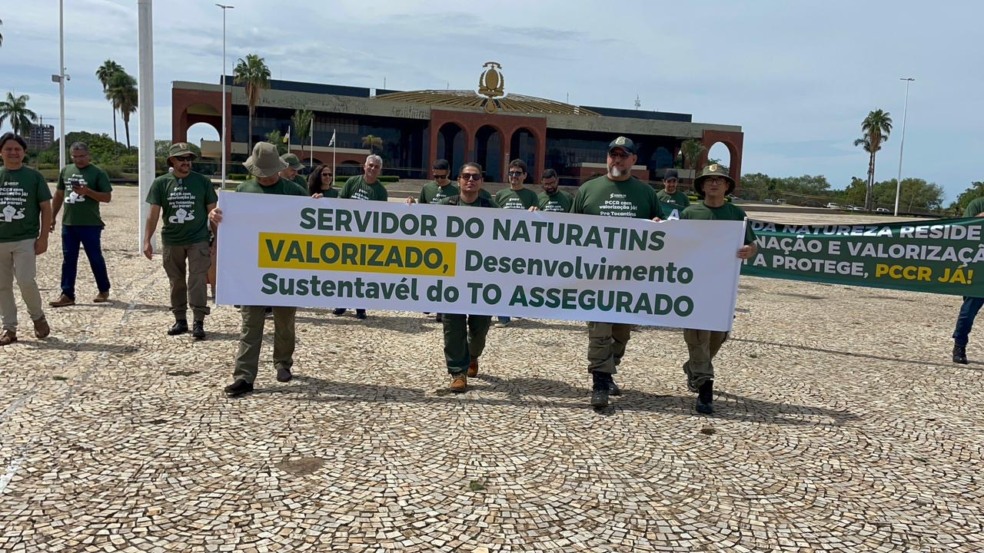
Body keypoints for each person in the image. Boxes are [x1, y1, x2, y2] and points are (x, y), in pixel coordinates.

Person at [571, 136, 664, 408]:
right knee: (599, 330)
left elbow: (662, 232)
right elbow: (567, 230)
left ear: (634, 160)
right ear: (607, 157)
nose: (617, 159)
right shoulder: (588, 190)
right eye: (614, 154)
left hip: (631, 277)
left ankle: (609, 368)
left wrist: (658, 226)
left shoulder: (646, 193)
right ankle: (599, 383)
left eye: (623, 155)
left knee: (621, 333)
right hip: (595, 275)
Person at [213, 142, 308, 398]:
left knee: (285, 321)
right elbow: (228, 229)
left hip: (286, 267)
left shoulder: (295, 192)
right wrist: (216, 219)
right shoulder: (242, 191)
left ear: (279, 169)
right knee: (250, 323)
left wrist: (318, 206)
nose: (264, 177)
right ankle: (244, 376)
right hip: (251, 268)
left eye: (268, 172)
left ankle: (283, 363)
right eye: (260, 173)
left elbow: (312, 225)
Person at [680, 163, 757, 414]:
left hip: (723, 285)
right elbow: (675, 244)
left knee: (718, 335)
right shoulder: (690, 213)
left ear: (727, 186)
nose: (714, 183)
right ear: (702, 186)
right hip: (693, 284)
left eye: (719, 180)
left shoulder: (736, 214)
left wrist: (749, 250)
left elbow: (753, 244)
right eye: (709, 180)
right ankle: (705, 387)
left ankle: (694, 367)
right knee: (697, 334)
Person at [143, 142, 217, 340]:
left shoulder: (202, 182)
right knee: (176, 281)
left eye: (189, 158)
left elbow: (213, 212)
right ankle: (180, 319)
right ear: (172, 161)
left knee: (197, 280)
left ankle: (199, 320)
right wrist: (147, 240)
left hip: (198, 239)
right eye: (181, 158)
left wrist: (218, 239)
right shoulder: (161, 183)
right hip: (172, 239)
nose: (186, 162)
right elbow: (153, 214)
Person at [438, 162, 500, 392]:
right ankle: (458, 372)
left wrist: (532, 216)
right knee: (452, 326)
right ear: (458, 180)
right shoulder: (446, 205)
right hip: (452, 276)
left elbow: (512, 231)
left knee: (479, 328)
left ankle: (473, 355)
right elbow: (424, 225)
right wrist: (410, 208)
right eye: (466, 176)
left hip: (482, 278)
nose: (470, 180)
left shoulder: (491, 208)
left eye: (475, 176)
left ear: (481, 181)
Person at [0, 132, 52, 345]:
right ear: (1, 152)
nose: (13, 153)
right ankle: (9, 328)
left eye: (17, 149)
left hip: (25, 239)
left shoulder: (33, 177)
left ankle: (37, 316)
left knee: (25, 280)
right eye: (8, 149)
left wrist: (43, 237)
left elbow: (46, 207)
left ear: (24, 152)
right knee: (2, 285)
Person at [49, 142, 113, 307]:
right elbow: (59, 194)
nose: (79, 160)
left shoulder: (97, 173)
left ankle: (103, 289)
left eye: (82, 156)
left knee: (95, 258)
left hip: (90, 224)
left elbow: (107, 197)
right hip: (69, 224)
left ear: (88, 155)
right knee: (68, 259)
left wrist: (87, 192)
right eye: (75, 156)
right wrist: (52, 216)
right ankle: (67, 294)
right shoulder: (66, 171)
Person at [334, 154, 388, 320]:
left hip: (366, 238)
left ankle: (360, 307)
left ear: (380, 170)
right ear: (364, 166)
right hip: (348, 235)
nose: (372, 168)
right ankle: (341, 303)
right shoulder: (352, 182)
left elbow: (382, 216)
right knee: (345, 272)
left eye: (376, 167)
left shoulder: (381, 191)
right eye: (370, 165)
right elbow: (340, 202)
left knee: (363, 274)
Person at [493, 159, 538, 326]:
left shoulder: (531, 195)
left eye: (518, 173)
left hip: (522, 246)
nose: (514, 176)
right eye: (511, 173)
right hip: (503, 245)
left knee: (519, 280)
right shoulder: (500, 195)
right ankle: (503, 316)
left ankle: (517, 306)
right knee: (502, 280)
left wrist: (535, 211)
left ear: (525, 175)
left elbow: (537, 220)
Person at [951, 197, 984, 364]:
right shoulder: (977, 204)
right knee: (968, 312)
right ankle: (959, 345)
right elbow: (965, 227)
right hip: (979, 268)